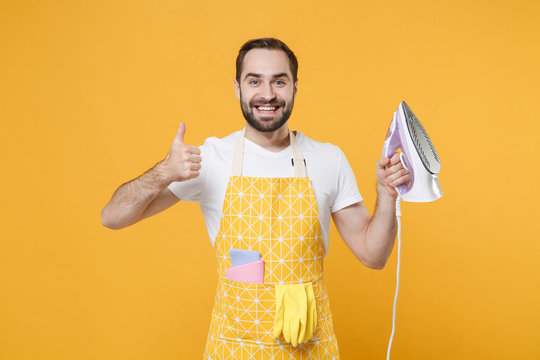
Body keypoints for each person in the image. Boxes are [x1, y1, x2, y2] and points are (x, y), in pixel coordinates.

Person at [101, 37, 410, 359]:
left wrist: (387, 194)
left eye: (279, 81)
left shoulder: (328, 159)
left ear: (294, 87)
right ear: (237, 88)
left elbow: (373, 256)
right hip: (234, 349)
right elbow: (113, 217)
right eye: (254, 81)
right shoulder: (210, 159)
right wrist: (164, 171)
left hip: (310, 350)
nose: (267, 94)